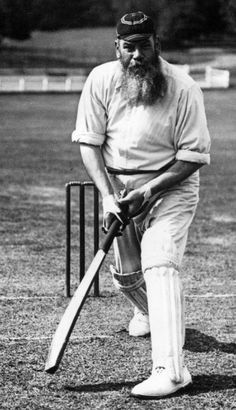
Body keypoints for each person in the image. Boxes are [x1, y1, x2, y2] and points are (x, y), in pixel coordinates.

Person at [72, 11, 210, 399]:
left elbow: (193, 158)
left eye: (143, 46)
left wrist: (147, 193)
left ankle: (172, 370)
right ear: (116, 46)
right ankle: (152, 311)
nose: (136, 55)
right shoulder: (101, 79)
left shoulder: (183, 87)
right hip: (119, 187)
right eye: (128, 47)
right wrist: (107, 195)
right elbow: (89, 142)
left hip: (170, 186)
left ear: (156, 45)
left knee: (160, 260)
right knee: (127, 276)